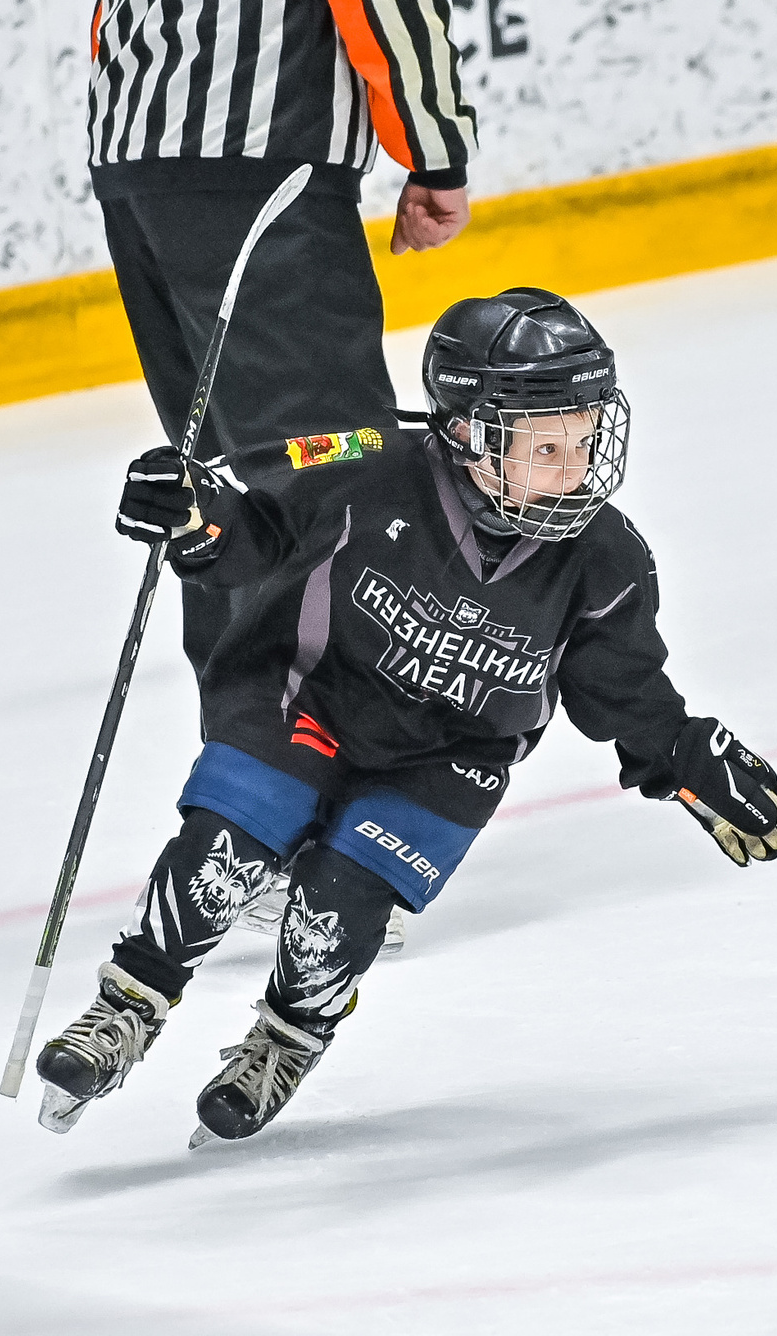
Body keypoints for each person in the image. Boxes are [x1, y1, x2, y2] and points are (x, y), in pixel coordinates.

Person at [36, 288, 777, 1143]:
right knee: (227, 845)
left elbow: (624, 695)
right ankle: (127, 1005)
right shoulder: (367, 458)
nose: (574, 465)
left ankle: (288, 1038)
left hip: (450, 755)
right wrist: (195, 517)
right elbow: (256, 531)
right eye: (546, 445)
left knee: (340, 907)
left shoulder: (605, 560)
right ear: (470, 432)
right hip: (307, 696)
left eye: (585, 439)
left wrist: (686, 757)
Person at [87, 0, 480, 955]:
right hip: (262, 161)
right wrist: (436, 150)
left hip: (142, 148)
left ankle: (245, 817)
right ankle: (303, 835)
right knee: (334, 490)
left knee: (231, 492)